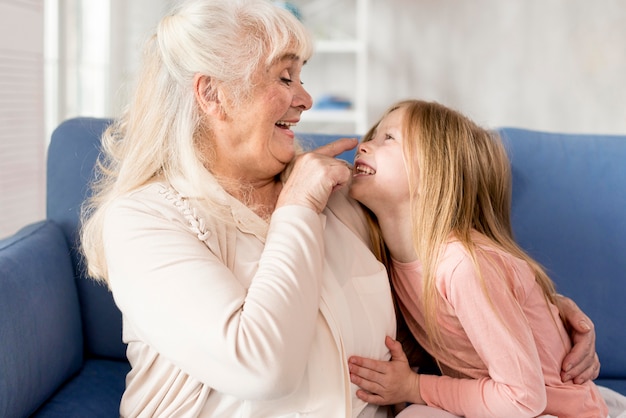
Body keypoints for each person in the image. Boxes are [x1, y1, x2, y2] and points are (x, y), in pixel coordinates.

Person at [78, 1, 599, 416]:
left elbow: (442, 270)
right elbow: (261, 368)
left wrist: (549, 319)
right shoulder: (144, 220)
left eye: (301, 76)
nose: (305, 98)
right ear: (213, 95)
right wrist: (298, 206)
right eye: (285, 78)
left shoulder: (343, 193)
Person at [346, 99, 609, 417]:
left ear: (431, 173)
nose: (363, 145)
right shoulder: (396, 259)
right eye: (373, 135)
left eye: (387, 137)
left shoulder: (461, 267)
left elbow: (524, 399)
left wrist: (414, 387)